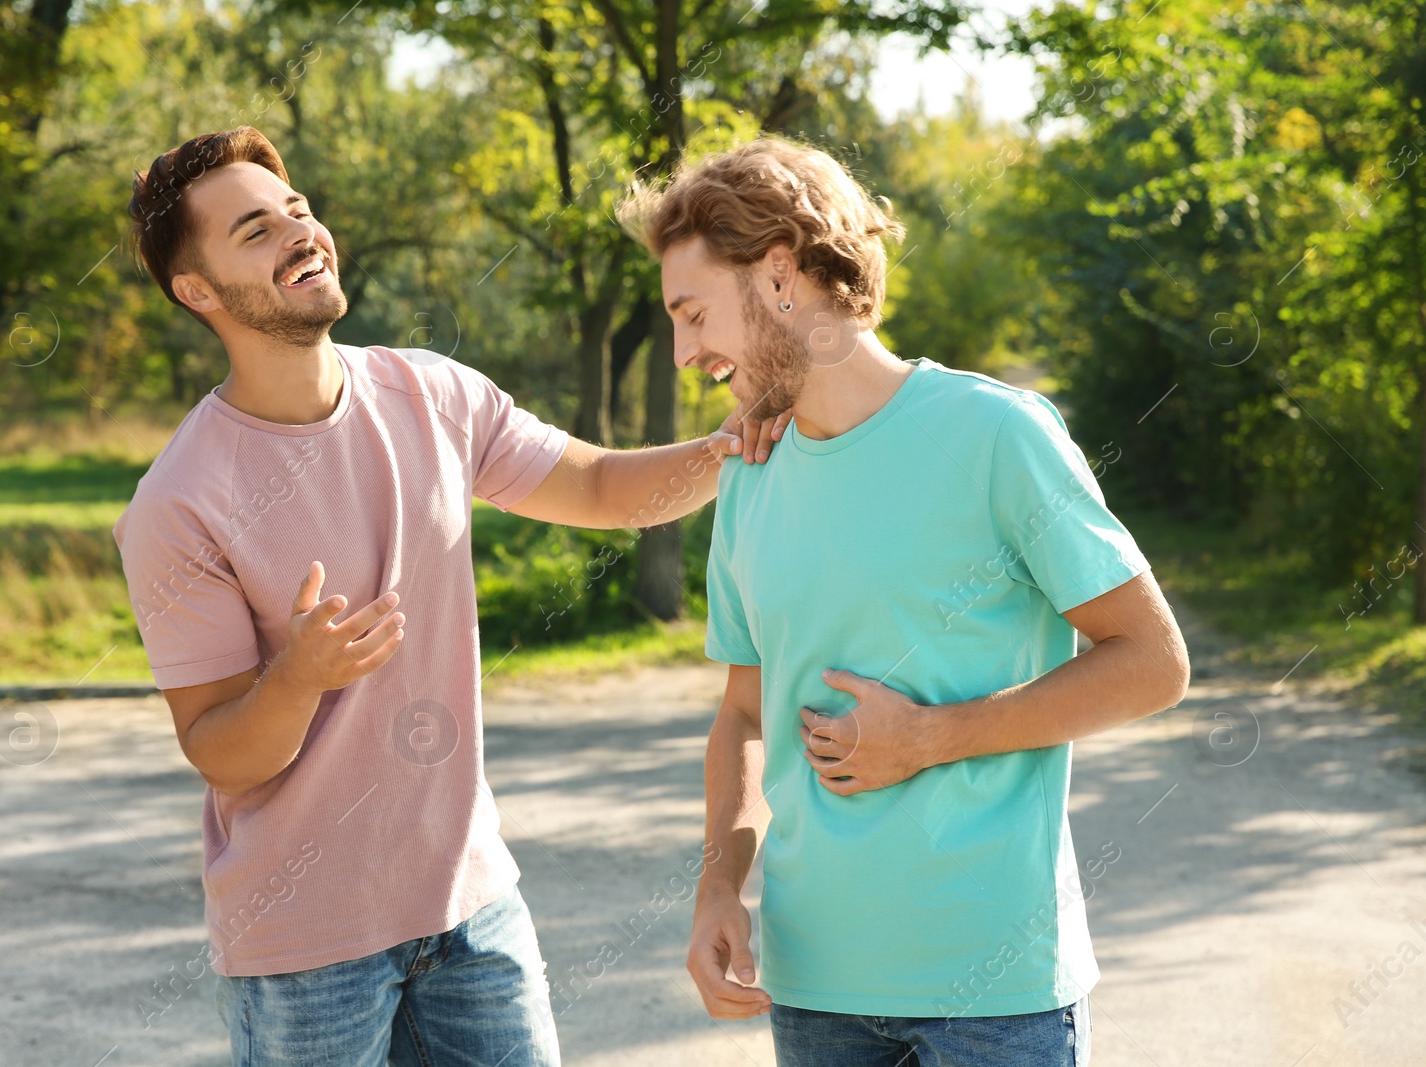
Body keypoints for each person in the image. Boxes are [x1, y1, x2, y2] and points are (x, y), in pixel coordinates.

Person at [111, 126, 782, 1067]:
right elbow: (222, 750)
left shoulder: (430, 393)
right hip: (305, 952)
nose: (301, 232)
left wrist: (728, 446)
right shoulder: (177, 505)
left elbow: (598, 488)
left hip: (475, 912)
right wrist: (300, 677)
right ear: (197, 290)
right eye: (255, 231)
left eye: (298, 210)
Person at [616, 135, 1191, 1066]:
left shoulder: (995, 433)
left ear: (779, 274)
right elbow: (747, 716)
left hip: (996, 996)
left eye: (693, 315)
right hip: (814, 992)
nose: (684, 354)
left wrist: (937, 735)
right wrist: (718, 887)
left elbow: (1154, 662)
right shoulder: (751, 477)